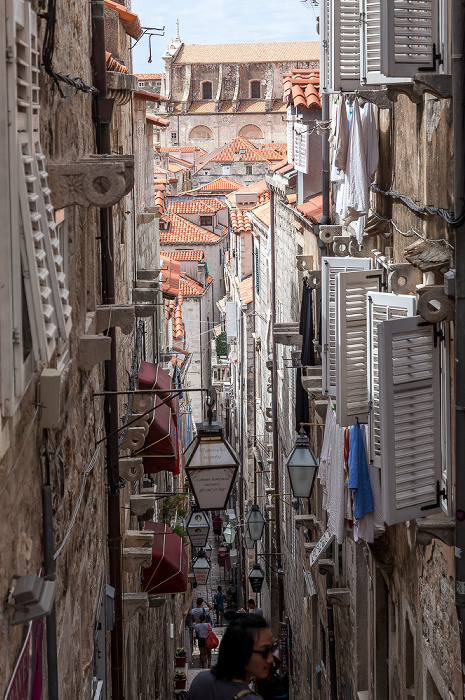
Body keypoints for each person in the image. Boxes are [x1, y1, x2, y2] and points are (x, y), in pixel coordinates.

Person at [186, 611, 276, 700]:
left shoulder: (200, 681)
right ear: (242, 651)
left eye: (271, 649)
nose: (271, 659)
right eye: (264, 651)